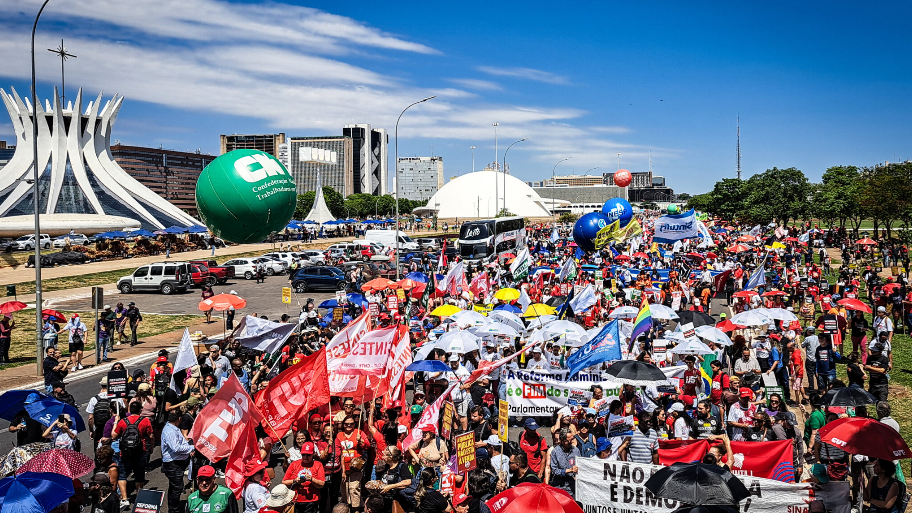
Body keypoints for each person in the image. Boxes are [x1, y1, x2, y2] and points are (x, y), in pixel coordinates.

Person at [112, 401, 154, 492]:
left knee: (123, 475)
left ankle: (124, 496)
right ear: (140, 410)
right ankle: (139, 495)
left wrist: (116, 422)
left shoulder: (123, 421)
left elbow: (114, 436)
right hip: (140, 451)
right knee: (139, 476)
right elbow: (151, 436)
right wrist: (151, 447)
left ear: (130, 410)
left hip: (125, 452)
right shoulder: (145, 420)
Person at [161, 410, 194, 513]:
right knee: (177, 487)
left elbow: (182, 442)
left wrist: (188, 447)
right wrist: (191, 448)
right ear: (179, 419)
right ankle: (174, 510)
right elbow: (176, 448)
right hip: (172, 463)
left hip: (176, 462)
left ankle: (172, 507)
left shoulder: (174, 428)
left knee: (174, 486)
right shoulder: (170, 431)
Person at [282, 441, 325, 513]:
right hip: (295, 500)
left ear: (313, 454)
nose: (305, 457)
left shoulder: (318, 464)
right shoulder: (294, 464)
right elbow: (284, 482)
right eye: (303, 454)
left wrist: (311, 479)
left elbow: (322, 484)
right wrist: (295, 481)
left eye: (308, 455)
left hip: (311, 501)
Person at [549, 429, 581, 496]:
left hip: (572, 488)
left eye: (572, 439)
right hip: (559, 488)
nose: (570, 442)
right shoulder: (555, 452)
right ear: (562, 440)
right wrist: (568, 471)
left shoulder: (576, 451)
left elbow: (580, 466)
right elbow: (554, 470)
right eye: (568, 440)